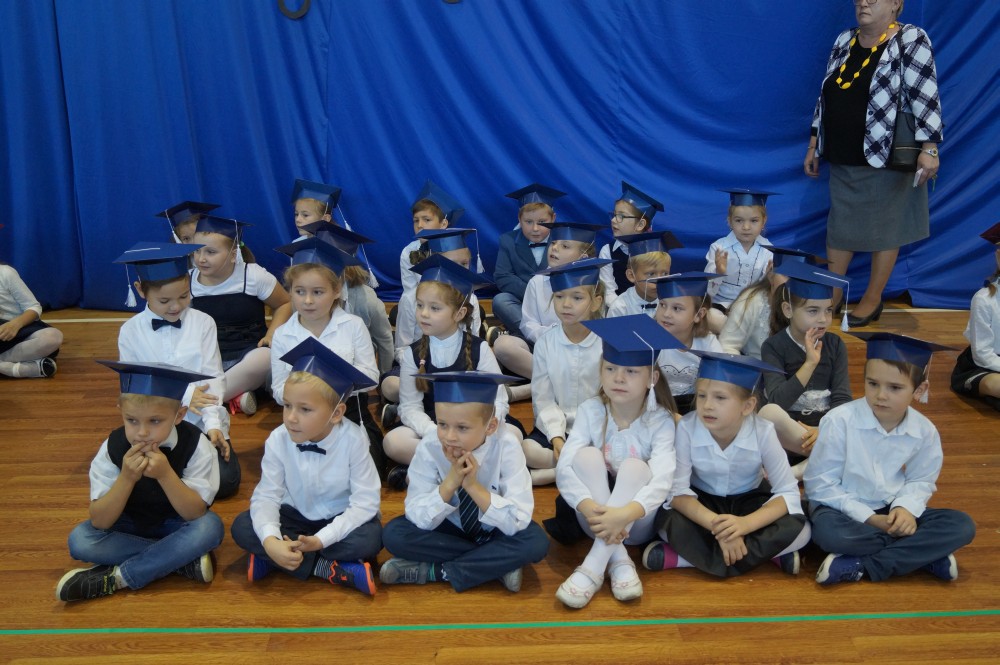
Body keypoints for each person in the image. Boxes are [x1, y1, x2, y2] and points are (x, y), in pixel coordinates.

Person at [804, 0, 942, 327]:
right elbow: (825, 97)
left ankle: (872, 298)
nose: (862, 2)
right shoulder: (844, 39)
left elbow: (926, 95)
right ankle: (833, 295)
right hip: (842, 152)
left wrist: (930, 148)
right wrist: (814, 143)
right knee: (840, 228)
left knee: (886, 229)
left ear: (895, 4)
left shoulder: (911, 38)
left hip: (887, 154)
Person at [805, 332, 976, 584]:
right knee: (833, 536)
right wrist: (872, 519)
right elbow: (820, 485)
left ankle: (862, 565)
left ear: (920, 389)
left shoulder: (924, 430)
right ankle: (921, 555)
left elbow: (921, 480)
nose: (881, 395)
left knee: (961, 525)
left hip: (890, 508)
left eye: (894, 388)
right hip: (841, 509)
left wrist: (904, 509)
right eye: (873, 383)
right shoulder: (839, 420)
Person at [57, 361, 224, 602]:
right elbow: (100, 520)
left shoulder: (197, 445)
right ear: (121, 412)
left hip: (177, 524)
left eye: (155, 421)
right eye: (132, 420)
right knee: (80, 540)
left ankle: (118, 578)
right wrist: (126, 478)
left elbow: (195, 513)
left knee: (209, 528)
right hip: (127, 525)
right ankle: (177, 559)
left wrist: (165, 475)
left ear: (179, 415)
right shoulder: (112, 447)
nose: (142, 432)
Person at [231, 339, 382, 594]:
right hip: (293, 516)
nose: (291, 417)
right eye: (287, 405)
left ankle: (278, 561)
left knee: (371, 539)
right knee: (243, 527)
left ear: (336, 413)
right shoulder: (278, 439)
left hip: (338, 517)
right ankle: (326, 568)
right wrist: (270, 541)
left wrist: (322, 539)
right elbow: (267, 496)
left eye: (305, 409)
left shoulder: (354, 440)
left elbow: (365, 502)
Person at [643, 351, 810, 577]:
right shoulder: (687, 428)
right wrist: (719, 527)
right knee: (667, 521)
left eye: (720, 398)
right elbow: (678, 493)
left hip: (750, 501)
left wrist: (744, 525)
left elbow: (787, 492)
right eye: (702, 396)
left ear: (748, 406)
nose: (707, 405)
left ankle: (682, 559)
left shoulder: (763, 431)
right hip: (702, 503)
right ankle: (767, 555)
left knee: (802, 529)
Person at [380, 372, 549, 593]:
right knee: (394, 535)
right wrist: (450, 483)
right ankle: (495, 565)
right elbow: (416, 512)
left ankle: (436, 571)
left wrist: (472, 486)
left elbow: (518, 517)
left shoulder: (507, 446)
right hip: (448, 527)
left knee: (535, 542)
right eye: (442, 424)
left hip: (493, 527)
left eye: (462, 428)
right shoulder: (430, 446)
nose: (449, 436)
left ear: (491, 426)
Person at [554, 315, 681, 609]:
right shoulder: (591, 410)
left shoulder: (661, 421)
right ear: (600, 371)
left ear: (652, 379)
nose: (618, 378)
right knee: (584, 456)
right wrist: (589, 507)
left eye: (631, 371)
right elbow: (564, 468)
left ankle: (592, 567)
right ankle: (619, 561)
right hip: (594, 518)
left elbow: (663, 479)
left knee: (636, 468)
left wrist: (624, 514)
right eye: (610, 368)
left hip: (636, 521)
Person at [114, 243, 239, 499]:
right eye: (164, 301)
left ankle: (176, 478)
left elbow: (213, 379)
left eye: (183, 296)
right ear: (140, 290)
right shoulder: (130, 331)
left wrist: (213, 425)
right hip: (155, 423)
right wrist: (186, 395)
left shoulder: (203, 323)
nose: (175, 307)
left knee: (227, 482)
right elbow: (137, 386)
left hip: (199, 418)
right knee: (142, 479)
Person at [383, 255, 517, 489]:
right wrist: (436, 433)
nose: (424, 314)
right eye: (420, 305)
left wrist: (478, 433)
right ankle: (466, 473)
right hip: (438, 428)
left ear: (459, 314)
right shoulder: (413, 354)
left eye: (434, 308)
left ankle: (435, 474)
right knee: (394, 442)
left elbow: (499, 399)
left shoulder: (480, 349)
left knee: (513, 437)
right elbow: (410, 406)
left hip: (476, 427)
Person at [270, 238, 384, 471]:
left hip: (350, 411)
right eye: (299, 291)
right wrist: (306, 394)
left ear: (336, 290)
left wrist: (330, 385)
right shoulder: (283, 334)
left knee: (368, 469)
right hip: (303, 418)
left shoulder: (353, 325)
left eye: (318, 292)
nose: (307, 300)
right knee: (300, 472)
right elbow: (278, 389)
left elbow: (371, 377)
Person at [758, 262, 852, 479]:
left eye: (828, 310)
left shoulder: (835, 345)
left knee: (855, 423)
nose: (823, 319)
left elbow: (842, 398)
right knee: (768, 413)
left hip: (824, 431)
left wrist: (823, 430)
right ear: (788, 310)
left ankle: (793, 474)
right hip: (789, 432)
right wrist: (809, 364)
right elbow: (778, 400)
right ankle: (827, 460)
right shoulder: (773, 346)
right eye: (813, 311)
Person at [190, 215, 290, 416]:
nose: (201, 258)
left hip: (248, 351)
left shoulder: (252, 275)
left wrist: (271, 334)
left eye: (210, 252)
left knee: (266, 358)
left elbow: (285, 304)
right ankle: (234, 395)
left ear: (233, 255)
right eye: (197, 250)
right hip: (209, 354)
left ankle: (201, 402)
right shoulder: (188, 280)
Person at [527, 258, 609, 485]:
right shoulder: (545, 343)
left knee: (609, 451)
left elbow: (610, 398)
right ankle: (576, 468)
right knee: (528, 450)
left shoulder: (607, 342)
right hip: (559, 426)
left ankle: (555, 473)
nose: (566, 304)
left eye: (577, 298)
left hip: (597, 428)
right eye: (559, 296)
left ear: (596, 302)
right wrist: (557, 438)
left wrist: (590, 435)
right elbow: (543, 398)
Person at [492, 222, 602, 383]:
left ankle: (541, 386)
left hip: (581, 350)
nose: (555, 248)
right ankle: (559, 382)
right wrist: (551, 337)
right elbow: (528, 324)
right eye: (553, 243)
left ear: (583, 257)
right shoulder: (537, 281)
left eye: (565, 246)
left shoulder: (594, 285)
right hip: (544, 346)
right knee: (504, 345)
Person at [298, 221, 394, 375]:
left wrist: (384, 377)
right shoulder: (303, 299)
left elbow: (384, 340)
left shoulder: (367, 300)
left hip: (355, 369)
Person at [488, 183, 564, 342]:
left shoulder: (564, 241)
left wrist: (546, 297)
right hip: (523, 301)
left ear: (553, 218)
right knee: (501, 301)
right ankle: (542, 340)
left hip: (556, 301)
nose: (535, 228)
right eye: (528, 222)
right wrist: (533, 294)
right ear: (519, 219)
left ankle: (532, 341)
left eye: (542, 221)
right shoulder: (507, 240)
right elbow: (503, 276)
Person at [718, 247, 824, 359]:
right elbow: (727, 345)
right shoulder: (751, 302)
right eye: (786, 275)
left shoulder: (811, 307)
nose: (793, 283)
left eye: (801, 278)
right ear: (771, 274)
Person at [649, 273, 725, 414]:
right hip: (656, 405)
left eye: (676, 308)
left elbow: (718, 380)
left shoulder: (708, 343)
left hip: (695, 406)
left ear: (699, 315)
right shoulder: (650, 341)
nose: (666, 314)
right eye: (662, 305)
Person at [704, 189, 775, 333]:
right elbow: (707, 291)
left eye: (754, 221)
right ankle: (740, 335)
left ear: (764, 221)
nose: (746, 227)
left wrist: (769, 279)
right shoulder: (719, 248)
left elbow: (766, 291)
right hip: (722, 306)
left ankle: (738, 334)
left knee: (771, 318)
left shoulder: (768, 250)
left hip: (752, 307)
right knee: (710, 317)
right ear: (730, 221)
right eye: (739, 220)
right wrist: (718, 272)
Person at [951, 222, 1000, 411]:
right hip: (985, 365)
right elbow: (982, 354)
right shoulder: (984, 299)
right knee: (995, 385)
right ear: (999, 257)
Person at [599, 181, 664, 307]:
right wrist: (627, 311)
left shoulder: (656, 252)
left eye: (621, 216)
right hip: (618, 310)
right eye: (614, 215)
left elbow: (658, 288)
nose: (613, 220)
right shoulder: (607, 251)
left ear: (640, 225)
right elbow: (608, 292)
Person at [0, 261, 63, 378]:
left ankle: (5, 365)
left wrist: (15, 324)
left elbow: (34, 307)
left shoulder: (5, 273)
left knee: (53, 337)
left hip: (18, 330)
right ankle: (19, 369)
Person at [605, 231, 681, 318]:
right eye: (651, 274)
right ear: (631, 275)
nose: (659, 281)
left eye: (665, 273)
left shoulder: (673, 302)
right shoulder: (620, 308)